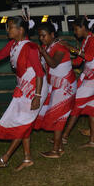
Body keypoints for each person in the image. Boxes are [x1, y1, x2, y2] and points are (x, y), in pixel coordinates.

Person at [0, 16, 48, 171]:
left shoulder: (31, 48)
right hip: (24, 87)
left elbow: (40, 74)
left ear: (21, 30)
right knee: (23, 122)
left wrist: (37, 96)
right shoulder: (13, 45)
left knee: (23, 123)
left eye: (10, 27)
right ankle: (27, 158)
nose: (7, 30)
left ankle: (5, 158)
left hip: (36, 88)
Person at [60, 17, 94, 148]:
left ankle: (64, 136)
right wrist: (63, 62)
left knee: (77, 104)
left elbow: (89, 57)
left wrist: (70, 47)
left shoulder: (93, 40)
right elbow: (79, 62)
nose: (75, 32)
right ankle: (93, 141)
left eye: (76, 29)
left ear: (83, 28)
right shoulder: (87, 41)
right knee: (91, 108)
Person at [34, 21, 77, 158]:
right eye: (40, 36)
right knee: (57, 116)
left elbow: (53, 64)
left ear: (52, 35)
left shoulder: (59, 47)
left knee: (58, 117)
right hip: (58, 86)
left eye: (44, 36)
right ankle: (60, 148)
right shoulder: (49, 46)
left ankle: (55, 151)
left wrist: (42, 52)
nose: (42, 39)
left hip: (65, 86)